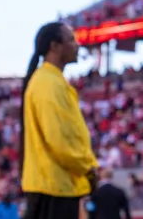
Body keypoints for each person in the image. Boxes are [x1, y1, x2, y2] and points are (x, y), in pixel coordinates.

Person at [21, 22, 99, 219]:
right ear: (54, 46)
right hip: (53, 187)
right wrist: (86, 168)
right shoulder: (48, 84)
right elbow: (59, 140)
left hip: (56, 185)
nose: (77, 45)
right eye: (71, 40)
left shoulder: (52, 81)